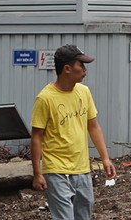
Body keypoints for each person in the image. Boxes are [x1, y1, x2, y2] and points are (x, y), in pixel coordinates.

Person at [31, 44, 117, 220]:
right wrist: (37, 173)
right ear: (67, 69)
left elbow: (93, 126)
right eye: (81, 65)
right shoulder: (45, 98)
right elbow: (36, 137)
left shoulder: (83, 92)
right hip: (55, 170)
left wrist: (105, 158)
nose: (85, 70)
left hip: (82, 169)